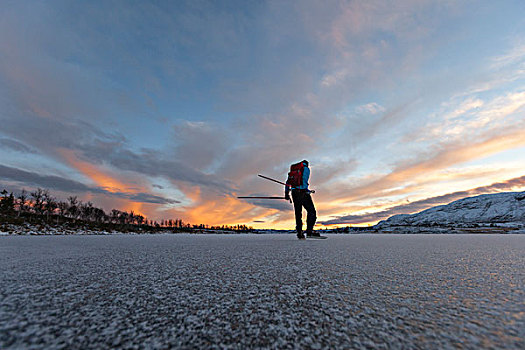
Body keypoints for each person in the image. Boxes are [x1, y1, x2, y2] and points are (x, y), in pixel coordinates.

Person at [285, 160, 318, 239]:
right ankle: (309, 231)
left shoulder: (293, 171)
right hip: (302, 193)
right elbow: (303, 183)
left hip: (294, 193)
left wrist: (286, 194)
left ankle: (299, 232)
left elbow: (287, 183)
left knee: (298, 213)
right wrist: (306, 190)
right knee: (311, 211)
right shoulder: (306, 169)